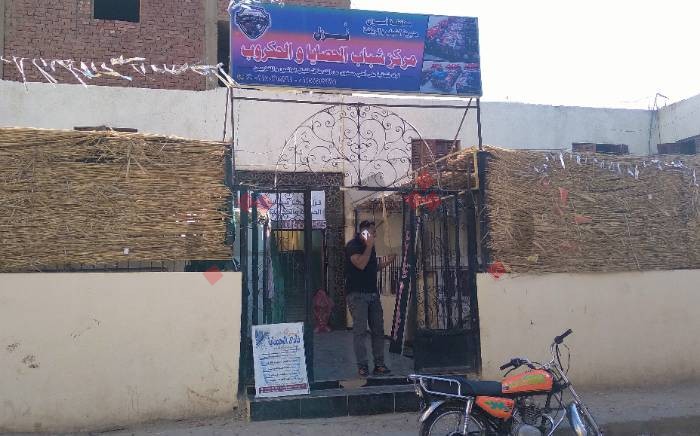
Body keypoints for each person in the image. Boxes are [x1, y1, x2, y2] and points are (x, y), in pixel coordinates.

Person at [345, 220, 395, 378]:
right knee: (360, 331)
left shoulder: (370, 247)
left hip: (373, 293)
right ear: (364, 232)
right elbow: (360, 264)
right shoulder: (353, 245)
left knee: (378, 330)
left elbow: (370, 267)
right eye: (373, 232)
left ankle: (379, 365)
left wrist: (386, 263)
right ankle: (363, 366)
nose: (375, 235)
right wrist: (368, 246)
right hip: (357, 294)